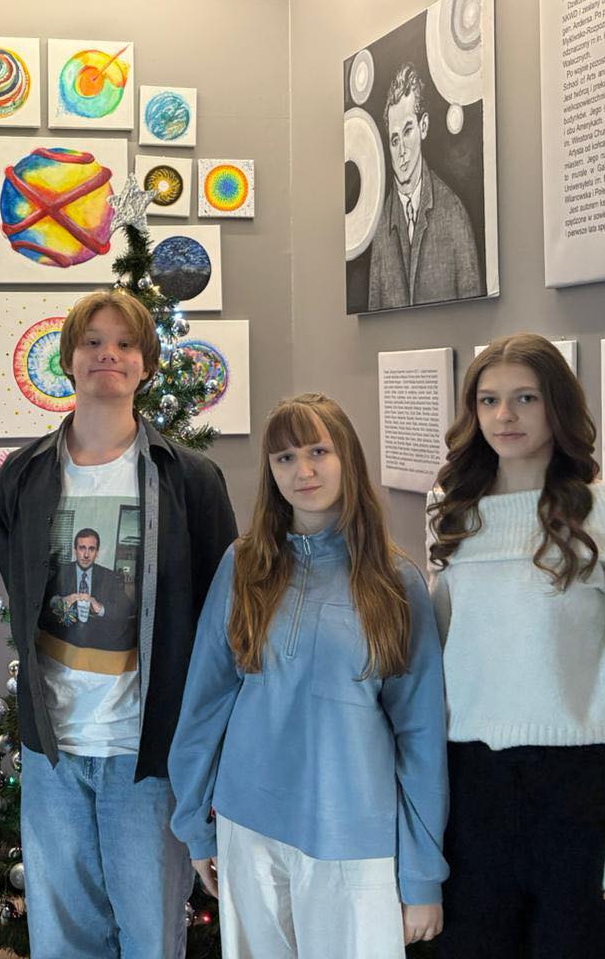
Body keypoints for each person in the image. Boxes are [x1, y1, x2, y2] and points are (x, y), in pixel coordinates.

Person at [0, 289, 238, 959]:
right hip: (53, 751)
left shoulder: (191, 480)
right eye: (93, 342)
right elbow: (19, 583)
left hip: (148, 755)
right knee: (63, 940)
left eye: (126, 344)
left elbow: (222, 617)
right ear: (68, 360)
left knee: (151, 938)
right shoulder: (23, 476)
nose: (109, 354)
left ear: (146, 363)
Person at [169, 393, 447, 958]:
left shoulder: (396, 582)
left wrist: (422, 875)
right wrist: (195, 823)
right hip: (249, 826)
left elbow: (420, 737)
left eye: (319, 451)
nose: (304, 471)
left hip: (354, 834)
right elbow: (205, 701)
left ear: (347, 457)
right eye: (285, 458)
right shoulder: (244, 565)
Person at [428, 333, 605, 958]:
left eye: (525, 398)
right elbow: (438, 661)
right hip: (472, 789)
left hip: (581, 791)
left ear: (556, 405)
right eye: (488, 400)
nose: (504, 416)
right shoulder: (451, 511)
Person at [365, 63, 482, 310]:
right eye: (394, 140)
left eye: (408, 131)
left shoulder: (453, 212)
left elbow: (474, 302)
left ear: (423, 127)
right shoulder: (381, 227)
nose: (402, 151)